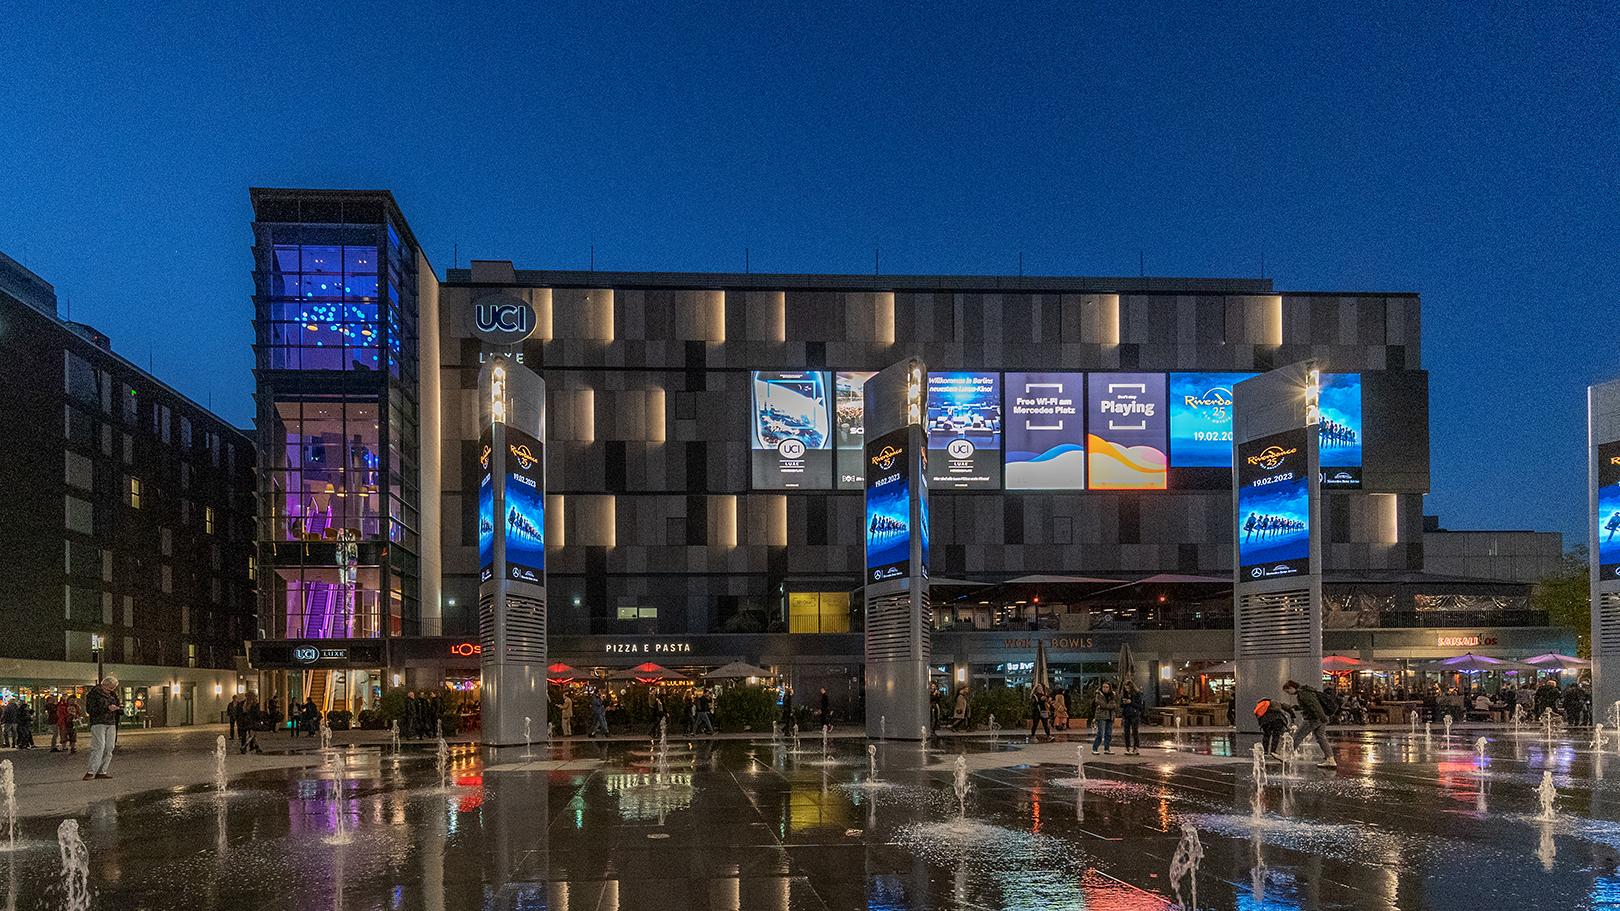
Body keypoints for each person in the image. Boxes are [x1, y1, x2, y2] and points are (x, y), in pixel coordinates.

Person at [1283, 679, 1336, 768]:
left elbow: (1314, 705)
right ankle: (1330, 759)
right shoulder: (1307, 691)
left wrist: (1322, 717)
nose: (1289, 694)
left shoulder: (1303, 693)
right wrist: (1298, 707)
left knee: (1298, 736)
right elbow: (1311, 705)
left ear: (1292, 687)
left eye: (1288, 691)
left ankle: (1286, 756)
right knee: (1321, 738)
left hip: (1312, 718)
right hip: (1319, 717)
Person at [83, 675, 121, 780]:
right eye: (110, 687)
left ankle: (102, 771)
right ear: (104, 685)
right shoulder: (93, 694)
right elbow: (90, 710)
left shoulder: (112, 694)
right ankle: (91, 771)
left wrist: (118, 709)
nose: (111, 690)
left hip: (111, 722)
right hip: (98, 722)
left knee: (109, 747)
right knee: (99, 746)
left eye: (113, 688)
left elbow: (117, 704)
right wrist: (107, 708)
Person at [1090, 681, 1119, 754]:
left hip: (1110, 715)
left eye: (1106, 687)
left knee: (1108, 733)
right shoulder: (1098, 694)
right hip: (1101, 716)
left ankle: (1107, 748)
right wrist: (1109, 706)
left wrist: (1108, 706)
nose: (1105, 688)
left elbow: (1114, 705)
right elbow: (1102, 705)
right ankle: (1094, 748)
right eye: (1103, 687)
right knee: (1100, 733)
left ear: (1109, 688)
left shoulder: (1112, 695)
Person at [1120, 680, 1144, 755]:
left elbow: (1140, 706)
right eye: (1126, 688)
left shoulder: (1137, 694)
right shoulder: (1124, 694)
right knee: (1126, 732)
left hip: (1134, 715)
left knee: (1135, 732)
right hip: (1126, 715)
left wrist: (1131, 702)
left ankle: (1136, 747)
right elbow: (1121, 705)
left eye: (1128, 688)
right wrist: (1123, 703)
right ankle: (1127, 747)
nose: (1127, 690)